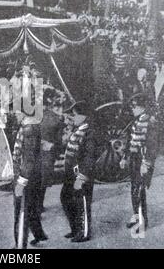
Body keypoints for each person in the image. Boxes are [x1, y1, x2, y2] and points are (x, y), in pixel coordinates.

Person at [120, 93, 158, 231]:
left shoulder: (150, 122)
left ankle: (142, 223)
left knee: (140, 191)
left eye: (134, 106)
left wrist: (147, 164)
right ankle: (137, 216)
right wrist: (125, 157)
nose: (132, 109)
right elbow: (131, 141)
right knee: (134, 190)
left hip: (143, 161)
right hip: (135, 161)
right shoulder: (136, 121)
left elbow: (152, 146)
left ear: (142, 107)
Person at [60, 100, 95, 243]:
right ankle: (75, 228)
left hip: (80, 174)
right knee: (65, 198)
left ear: (83, 116)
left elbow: (89, 157)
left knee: (82, 203)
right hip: (70, 173)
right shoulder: (78, 129)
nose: (72, 118)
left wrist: (82, 177)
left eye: (75, 115)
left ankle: (84, 232)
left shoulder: (89, 132)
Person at [12, 111, 48, 248]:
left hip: (27, 176)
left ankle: (20, 245)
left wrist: (21, 181)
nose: (14, 114)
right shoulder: (29, 127)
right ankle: (39, 235)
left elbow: (28, 158)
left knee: (21, 210)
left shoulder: (28, 129)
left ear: (24, 113)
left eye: (16, 112)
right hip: (32, 175)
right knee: (31, 207)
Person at [38, 88, 66, 213]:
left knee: (40, 178)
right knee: (42, 179)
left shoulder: (43, 115)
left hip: (43, 150)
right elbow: (59, 141)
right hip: (47, 150)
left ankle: (37, 205)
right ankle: (38, 205)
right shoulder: (57, 119)